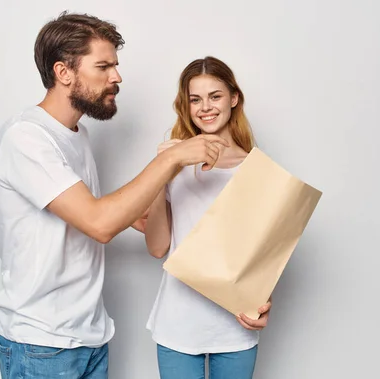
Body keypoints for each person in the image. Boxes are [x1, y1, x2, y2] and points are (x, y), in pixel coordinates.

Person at [0, 12, 228, 379]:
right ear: (63, 72)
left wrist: (145, 216)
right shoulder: (27, 139)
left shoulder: (75, 134)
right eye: (103, 66)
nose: (117, 77)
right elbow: (99, 223)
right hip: (41, 346)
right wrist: (173, 158)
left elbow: (89, 211)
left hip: (89, 336)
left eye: (115, 65)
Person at [144, 56, 272, 379]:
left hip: (235, 327)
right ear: (185, 106)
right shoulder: (174, 164)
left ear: (233, 98)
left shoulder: (257, 169)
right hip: (177, 324)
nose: (206, 107)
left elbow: (265, 252)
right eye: (195, 99)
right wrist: (163, 170)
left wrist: (264, 298)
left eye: (215, 96)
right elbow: (158, 247)